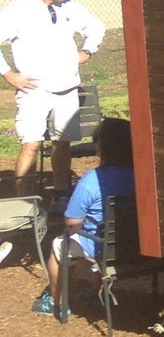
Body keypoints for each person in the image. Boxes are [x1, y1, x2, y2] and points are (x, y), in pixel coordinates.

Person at [0, 0, 106, 196]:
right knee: (31, 144)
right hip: (33, 90)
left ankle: (61, 194)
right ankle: (24, 201)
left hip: (67, 89)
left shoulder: (71, 8)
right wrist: (8, 75)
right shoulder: (19, 10)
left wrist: (88, 51)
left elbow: (96, 28)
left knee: (62, 143)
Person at [37, 116, 134, 316]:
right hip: (135, 243)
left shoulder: (93, 179)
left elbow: (72, 221)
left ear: (102, 147)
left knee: (58, 248)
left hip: (100, 246)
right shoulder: (140, 175)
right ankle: (96, 291)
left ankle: (57, 303)